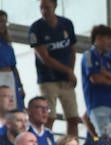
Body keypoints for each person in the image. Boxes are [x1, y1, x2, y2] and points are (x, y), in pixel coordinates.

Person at [28, 0, 77, 137]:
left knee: (72, 117)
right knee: (49, 116)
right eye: (41, 8)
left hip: (66, 79)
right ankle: (46, 144)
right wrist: (68, 71)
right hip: (48, 79)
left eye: (47, 7)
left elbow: (72, 50)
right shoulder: (36, 28)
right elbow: (45, 58)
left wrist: (70, 71)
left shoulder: (66, 24)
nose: (44, 11)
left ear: (55, 6)